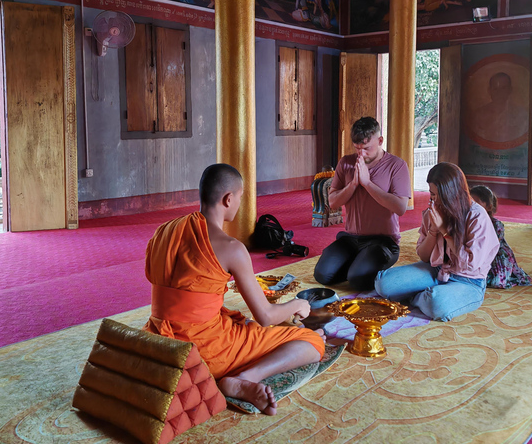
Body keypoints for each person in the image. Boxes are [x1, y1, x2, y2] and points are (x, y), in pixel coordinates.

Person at [143, 164, 325, 415]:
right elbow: (265, 316)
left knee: (246, 324)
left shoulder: (163, 232)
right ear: (229, 199)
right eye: (240, 197)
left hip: (158, 342)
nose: (239, 204)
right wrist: (298, 304)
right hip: (202, 351)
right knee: (313, 342)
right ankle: (245, 378)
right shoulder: (232, 248)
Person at [375, 163, 498, 321]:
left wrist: (444, 230)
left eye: (437, 195)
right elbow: (424, 257)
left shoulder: (477, 217)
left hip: (468, 281)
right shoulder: (433, 212)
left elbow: (468, 264)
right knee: (383, 283)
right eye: (431, 194)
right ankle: (426, 293)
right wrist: (433, 230)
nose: (433, 200)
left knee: (436, 303)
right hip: (436, 270)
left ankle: (418, 297)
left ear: (451, 193)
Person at [313, 117, 411, 291]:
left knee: (358, 281)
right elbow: (333, 201)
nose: (361, 154)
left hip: (383, 241)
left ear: (380, 141)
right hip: (351, 238)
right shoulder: (346, 163)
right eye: (358, 148)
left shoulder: (396, 165)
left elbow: (400, 208)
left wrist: (367, 183)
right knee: (323, 275)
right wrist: (353, 184)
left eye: (366, 148)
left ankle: (362, 268)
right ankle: (358, 264)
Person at [469, 185, 532, 289]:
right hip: (478, 253)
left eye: (476, 203)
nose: (472, 206)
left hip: (496, 256)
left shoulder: (496, 225)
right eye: (470, 202)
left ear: (489, 207)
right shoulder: (470, 222)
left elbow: (490, 248)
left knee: (497, 282)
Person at [467, 72, 529, 146]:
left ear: (510, 90)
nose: (499, 93)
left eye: (503, 88)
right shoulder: (479, 115)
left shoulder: (521, 115)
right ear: (489, 91)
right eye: (495, 89)